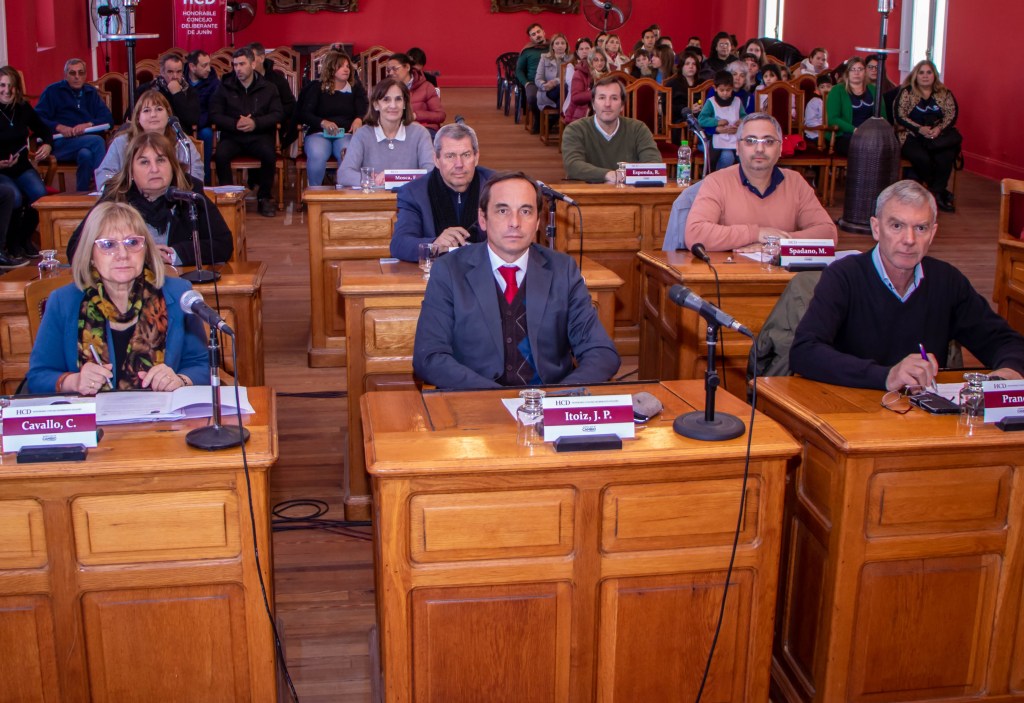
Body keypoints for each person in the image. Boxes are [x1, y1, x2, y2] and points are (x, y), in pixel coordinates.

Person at [790, 181, 1024, 391]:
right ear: (876, 228)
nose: (909, 240)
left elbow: (1005, 342)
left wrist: (1009, 372)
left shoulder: (947, 281)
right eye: (896, 226)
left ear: (932, 234)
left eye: (920, 228)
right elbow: (804, 352)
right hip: (852, 412)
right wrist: (886, 376)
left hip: (922, 420)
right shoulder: (844, 276)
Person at [412, 171, 620, 389]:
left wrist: (560, 398)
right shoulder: (449, 270)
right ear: (483, 219)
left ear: (538, 221)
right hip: (477, 405)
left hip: (549, 405)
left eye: (526, 211)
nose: (515, 222)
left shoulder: (563, 270)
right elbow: (429, 357)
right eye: (503, 210)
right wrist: (495, 399)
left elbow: (602, 352)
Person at [26, 201, 209, 394]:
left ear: (146, 249)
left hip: (161, 419)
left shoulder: (178, 293)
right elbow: (38, 377)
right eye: (108, 245)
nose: (123, 254)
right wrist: (74, 381)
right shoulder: (63, 301)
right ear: (90, 255)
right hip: (92, 419)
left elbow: (202, 366)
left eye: (132, 243)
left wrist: (180, 379)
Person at [67, 132, 233, 267]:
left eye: (160, 160)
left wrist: (175, 254)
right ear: (131, 171)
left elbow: (223, 245)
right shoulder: (115, 197)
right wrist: (138, 253)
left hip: (178, 284)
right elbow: (76, 249)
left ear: (173, 166)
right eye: (144, 162)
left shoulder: (190, 193)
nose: (154, 169)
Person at [685, 112, 837, 251]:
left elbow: (828, 233)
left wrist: (776, 243)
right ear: (737, 147)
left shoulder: (795, 182)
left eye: (769, 141)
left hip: (783, 277)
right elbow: (695, 235)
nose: (759, 148)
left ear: (780, 148)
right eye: (750, 141)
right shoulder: (716, 182)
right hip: (731, 275)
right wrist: (756, 234)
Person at [390, 122, 495, 261]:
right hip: (438, 277)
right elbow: (400, 245)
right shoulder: (414, 193)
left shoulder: (497, 186)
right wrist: (435, 244)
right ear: (437, 160)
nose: (459, 164)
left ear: (476, 158)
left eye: (466, 155)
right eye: (450, 156)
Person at [210, 47, 283, 218]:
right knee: (221, 155)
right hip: (232, 135)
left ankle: (264, 198)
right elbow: (214, 114)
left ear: (253, 63)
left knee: (269, 154)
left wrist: (255, 123)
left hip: (259, 135)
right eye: (235, 65)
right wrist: (235, 124)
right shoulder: (225, 86)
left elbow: (278, 114)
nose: (238, 69)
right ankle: (228, 197)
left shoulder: (268, 87)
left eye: (242, 64)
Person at [95, 90, 203, 190]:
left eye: (159, 109)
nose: (153, 115)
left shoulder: (181, 140)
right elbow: (104, 174)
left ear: (168, 114)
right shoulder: (122, 142)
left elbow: (196, 171)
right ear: (138, 117)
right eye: (147, 110)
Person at [561, 77, 661, 183]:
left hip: (629, 194)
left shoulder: (638, 129)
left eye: (614, 98)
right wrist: (609, 175)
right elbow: (573, 165)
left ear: (622, 105)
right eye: (602, 98)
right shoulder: (575, 130)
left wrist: (631, 172)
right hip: (588, 196)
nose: (607, 104)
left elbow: (654, 164)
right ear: (593, 104)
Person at [337, 78, 433, 188]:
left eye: (398, 99)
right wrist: (372, 180)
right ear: (376, 105)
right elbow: (344, 174)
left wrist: (391, 178)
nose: (393, 105)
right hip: (373, 202)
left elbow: (431, 173)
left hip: (411, 202)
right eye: (386, 100)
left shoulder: (420, 133)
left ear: (405, 104)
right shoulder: (362, 134)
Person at [36, 58, 113, 192]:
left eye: (81, 73)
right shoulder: (52, 91)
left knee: (86, 155)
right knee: (97, 141)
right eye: (72, 73)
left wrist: (88, 125)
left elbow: (108, 119)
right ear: (65, 75)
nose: (77, 77)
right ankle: (104, 189)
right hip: (59, 142)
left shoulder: (91, 93)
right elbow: (37, 119)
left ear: (85, 75)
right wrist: (58, 126)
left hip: (84, 141)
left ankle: (82, 194)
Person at [0, 65, 52, 264]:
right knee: (14, 196)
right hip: (1, 169)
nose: (6, 90)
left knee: (39, 195)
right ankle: (11, 244)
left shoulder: (22, 108)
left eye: (10, 86)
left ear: (17, 88)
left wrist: (47, 144)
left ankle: (24, 238)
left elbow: (43, 129)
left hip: (20, 165)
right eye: (2, 85)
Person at [894, 60, 961, 213]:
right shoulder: (907, 92)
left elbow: (952, 114)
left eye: (929, 72)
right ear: (915, 75)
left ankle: (936, 193)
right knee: (921, 157)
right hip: (912, 135)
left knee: (946, 156)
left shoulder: (944, 93)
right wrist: (919, 129)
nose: (925, 76)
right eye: (921, 72)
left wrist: (939, 128)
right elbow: (900, 115)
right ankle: (940, 192)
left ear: (934, 75)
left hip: (938, 136)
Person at [299, 51, 368, 187]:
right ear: (331, 68)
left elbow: (364, 109)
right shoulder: (317, 88)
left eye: (348, 66)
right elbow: (305, 113)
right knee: (317, 153)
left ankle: (344, 193)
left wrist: (359, 119)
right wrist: (322, 122)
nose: (346, 69)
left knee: (347, 152)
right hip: (319, 133)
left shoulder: (355, 89)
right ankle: (315, 193)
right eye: (341, 66)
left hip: (345, 134)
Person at [826, 56, 885, 156]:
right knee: (866, 149)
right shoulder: (837, 90)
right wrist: (855, 130)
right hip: (845, 135)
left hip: (871, 135)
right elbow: (833, 119)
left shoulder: (874, 90)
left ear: (865, 71)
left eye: (860, 69)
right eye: (853, 69)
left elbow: (882, 116)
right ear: (847, 73)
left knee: (886, 148)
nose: (856, 73)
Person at [135, 53, 200, 132]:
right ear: (162, 72)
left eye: (178, 72)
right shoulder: (147, 89)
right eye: (170, 72)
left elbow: (192, 120)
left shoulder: (189, 90)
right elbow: (131, 116)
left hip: (178, 134)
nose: (175, 76)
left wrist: (177, 94)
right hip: (149, 132)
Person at [248, 42, 297, 149]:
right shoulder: (242, 81)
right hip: (246, 127)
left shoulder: (277, 81)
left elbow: (290, 106)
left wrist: (271, 116)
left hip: (271, 127)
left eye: (251, 58)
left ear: (261, 58)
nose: (248, 62)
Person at [385, 52, 446, 134]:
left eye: (395, 69)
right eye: (389, 70)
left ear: (407, 67)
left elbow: (440, 115)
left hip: (423, 128)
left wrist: (415, 115)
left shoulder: (426, 87)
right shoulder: (386, 88)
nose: (391, 73)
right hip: (396, 129)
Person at [185, 50, 221, 184]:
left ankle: (203, 183)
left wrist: (196, 123)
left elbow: (213, 110)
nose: (209, 69)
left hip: (202, 123)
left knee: (206, 134)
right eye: (204, 65)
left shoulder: (214, 83)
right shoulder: (180, 79)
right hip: (183, 122)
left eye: (209, 65)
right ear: (192, 67)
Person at [698, 70, 745, 171]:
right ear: (715, 88)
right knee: (728, 157)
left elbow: (744, 116)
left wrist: (741, 121)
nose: (725, 93)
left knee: (744, 156)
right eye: (722, 90)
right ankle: (718, 179)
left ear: (732, 88)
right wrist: (716, 122)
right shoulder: (711, 102)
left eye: (728, 90)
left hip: (734, 138)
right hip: (716, 139)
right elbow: (701, 119)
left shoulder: (737, 101)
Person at [515, 23, 548, 133]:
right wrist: (526, 83)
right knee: (532, 98)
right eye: (533, 34)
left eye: (538, 32)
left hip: (551, 81)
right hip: (533, 82)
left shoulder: (553, 47)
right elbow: (518, 70)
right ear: (530, 38)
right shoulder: (527, 51)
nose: (537, 35)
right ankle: (538, 120)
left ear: (543, 32)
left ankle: (551, 121)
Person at [565, 49, 606, 124]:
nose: (600, 63)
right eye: (596, 60)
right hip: (582, 112)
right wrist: (595, 93)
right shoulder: (579, 73)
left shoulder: (608, 74)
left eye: (602, 60)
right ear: (590, 61)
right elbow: (575, 97)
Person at [535, 33, 571, 111]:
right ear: (553, 46)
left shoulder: (571, 60)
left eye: (562, 43)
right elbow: (538, 79)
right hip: (548, 91)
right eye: (557, 43)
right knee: (563, 91)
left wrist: (555, 82)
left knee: (564, 88)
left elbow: (569, 78)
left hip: (564, 90)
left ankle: (557, 120)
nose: (560, 46)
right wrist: (544, 85)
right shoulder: (544, 58)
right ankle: (560, 119)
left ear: (566, 46)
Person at [562, 38, 592, 116]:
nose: (584, 51)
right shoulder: (571, 66)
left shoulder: (596, 65)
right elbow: (573, 84)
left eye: (587, 48)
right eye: (581, 49)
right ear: (577, 52)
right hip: (575, 102)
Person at [804, 73, 834, 141]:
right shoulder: (814, 101)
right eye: (822, 87)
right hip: (816, 133)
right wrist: (824, 128)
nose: (826, 89)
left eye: (828, 86)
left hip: (831, 131)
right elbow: (810, 122)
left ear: (832, 87)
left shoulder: (834, 101)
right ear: (818, 88)